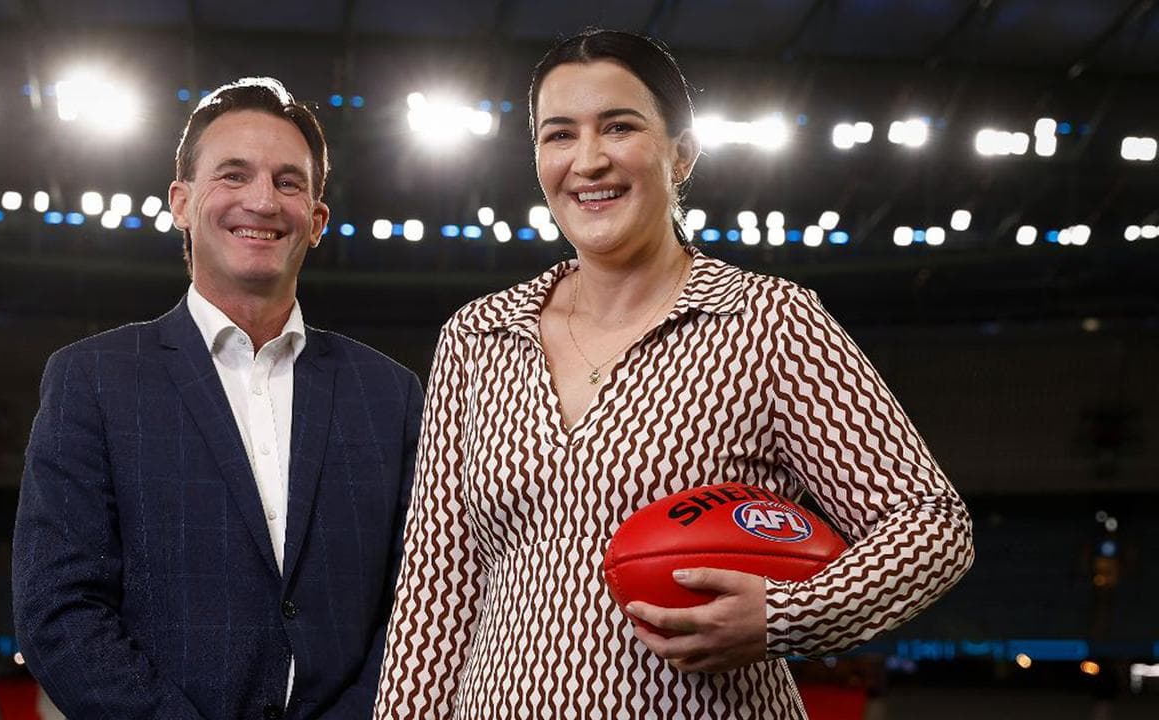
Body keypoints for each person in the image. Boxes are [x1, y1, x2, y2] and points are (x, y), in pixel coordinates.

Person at [374, 30, 973, 719]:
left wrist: (785, 617)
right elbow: (436, 589)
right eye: (559, 135)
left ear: (681, 154)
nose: (588, 160)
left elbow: (931, 526)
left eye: (619, 127)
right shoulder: (479, 335)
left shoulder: (767, 322)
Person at [12, 77, 423, 720]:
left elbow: (419, 605)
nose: (262, 200)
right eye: (234, 175)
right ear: (181, 202)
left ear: (317, 221)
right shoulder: (91, 379)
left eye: (289, 182)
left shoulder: (391, 395)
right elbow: (58, 609)